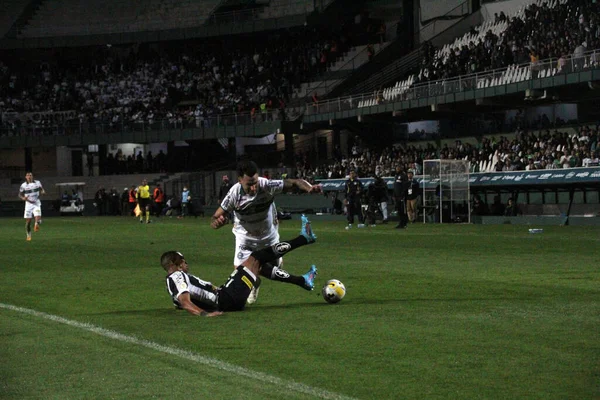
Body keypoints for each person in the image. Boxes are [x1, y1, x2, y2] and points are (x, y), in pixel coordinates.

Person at [210, 160, 322, 305]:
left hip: (268, 235)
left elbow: (295, 182)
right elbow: (215, 217)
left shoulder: (266, 185)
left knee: (272, 267)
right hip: (245, 238)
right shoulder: (233, 195)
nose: (254, 187)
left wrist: (309, 188)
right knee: (243, 271)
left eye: (255, 182)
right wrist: (218, 223)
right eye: (249, 184)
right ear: (239, 180)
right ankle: (261, 283)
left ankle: (297, 276)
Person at [163, 216, 318, 316]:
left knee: (256, 266)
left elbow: (180, 302)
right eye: (182, 261)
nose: (185, 263)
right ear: (172, 264)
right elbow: (184, 301)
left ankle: (303, 280)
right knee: (256, 257)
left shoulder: (173, 282)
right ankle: (304, 238)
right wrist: (205, 314)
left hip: (226, 297)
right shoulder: (176, 276)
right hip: (226, 299)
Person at [19, 172, 46, 241]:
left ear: (32, 176)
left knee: (37, 216)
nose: (29, 176)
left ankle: (36, 224)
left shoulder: (37, 182)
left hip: (36, 203)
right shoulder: (23, 185)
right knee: (28, 222)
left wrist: (43, 191)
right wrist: (23, 198)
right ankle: (28, 235)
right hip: (28, 204)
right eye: (28, 175)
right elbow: (20, 194)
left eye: (30, 175)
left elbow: (41, 188)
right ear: (26, 177)